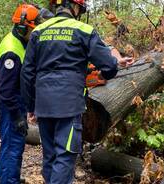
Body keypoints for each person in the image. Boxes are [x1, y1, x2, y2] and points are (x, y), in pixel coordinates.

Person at [20, 0, 134, 183]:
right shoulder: (84, 30)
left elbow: (27, 73)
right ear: (75, 7)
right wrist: (108, 69)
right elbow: (108, 67)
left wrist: (31, 105)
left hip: (43, 104)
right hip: (69, 105)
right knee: (65, 156)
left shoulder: (38, 32)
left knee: (50, 156)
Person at [0, 4, 53, 184]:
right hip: (10, 103)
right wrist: (18, 115)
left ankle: (4, 175)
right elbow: (6, 89)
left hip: (14, 100)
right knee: (14, 144)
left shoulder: (19, 41)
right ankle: (9, 180)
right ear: (22, 27)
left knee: (9, 142)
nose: (34, 34)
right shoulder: (12, 51)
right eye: (32, 30)